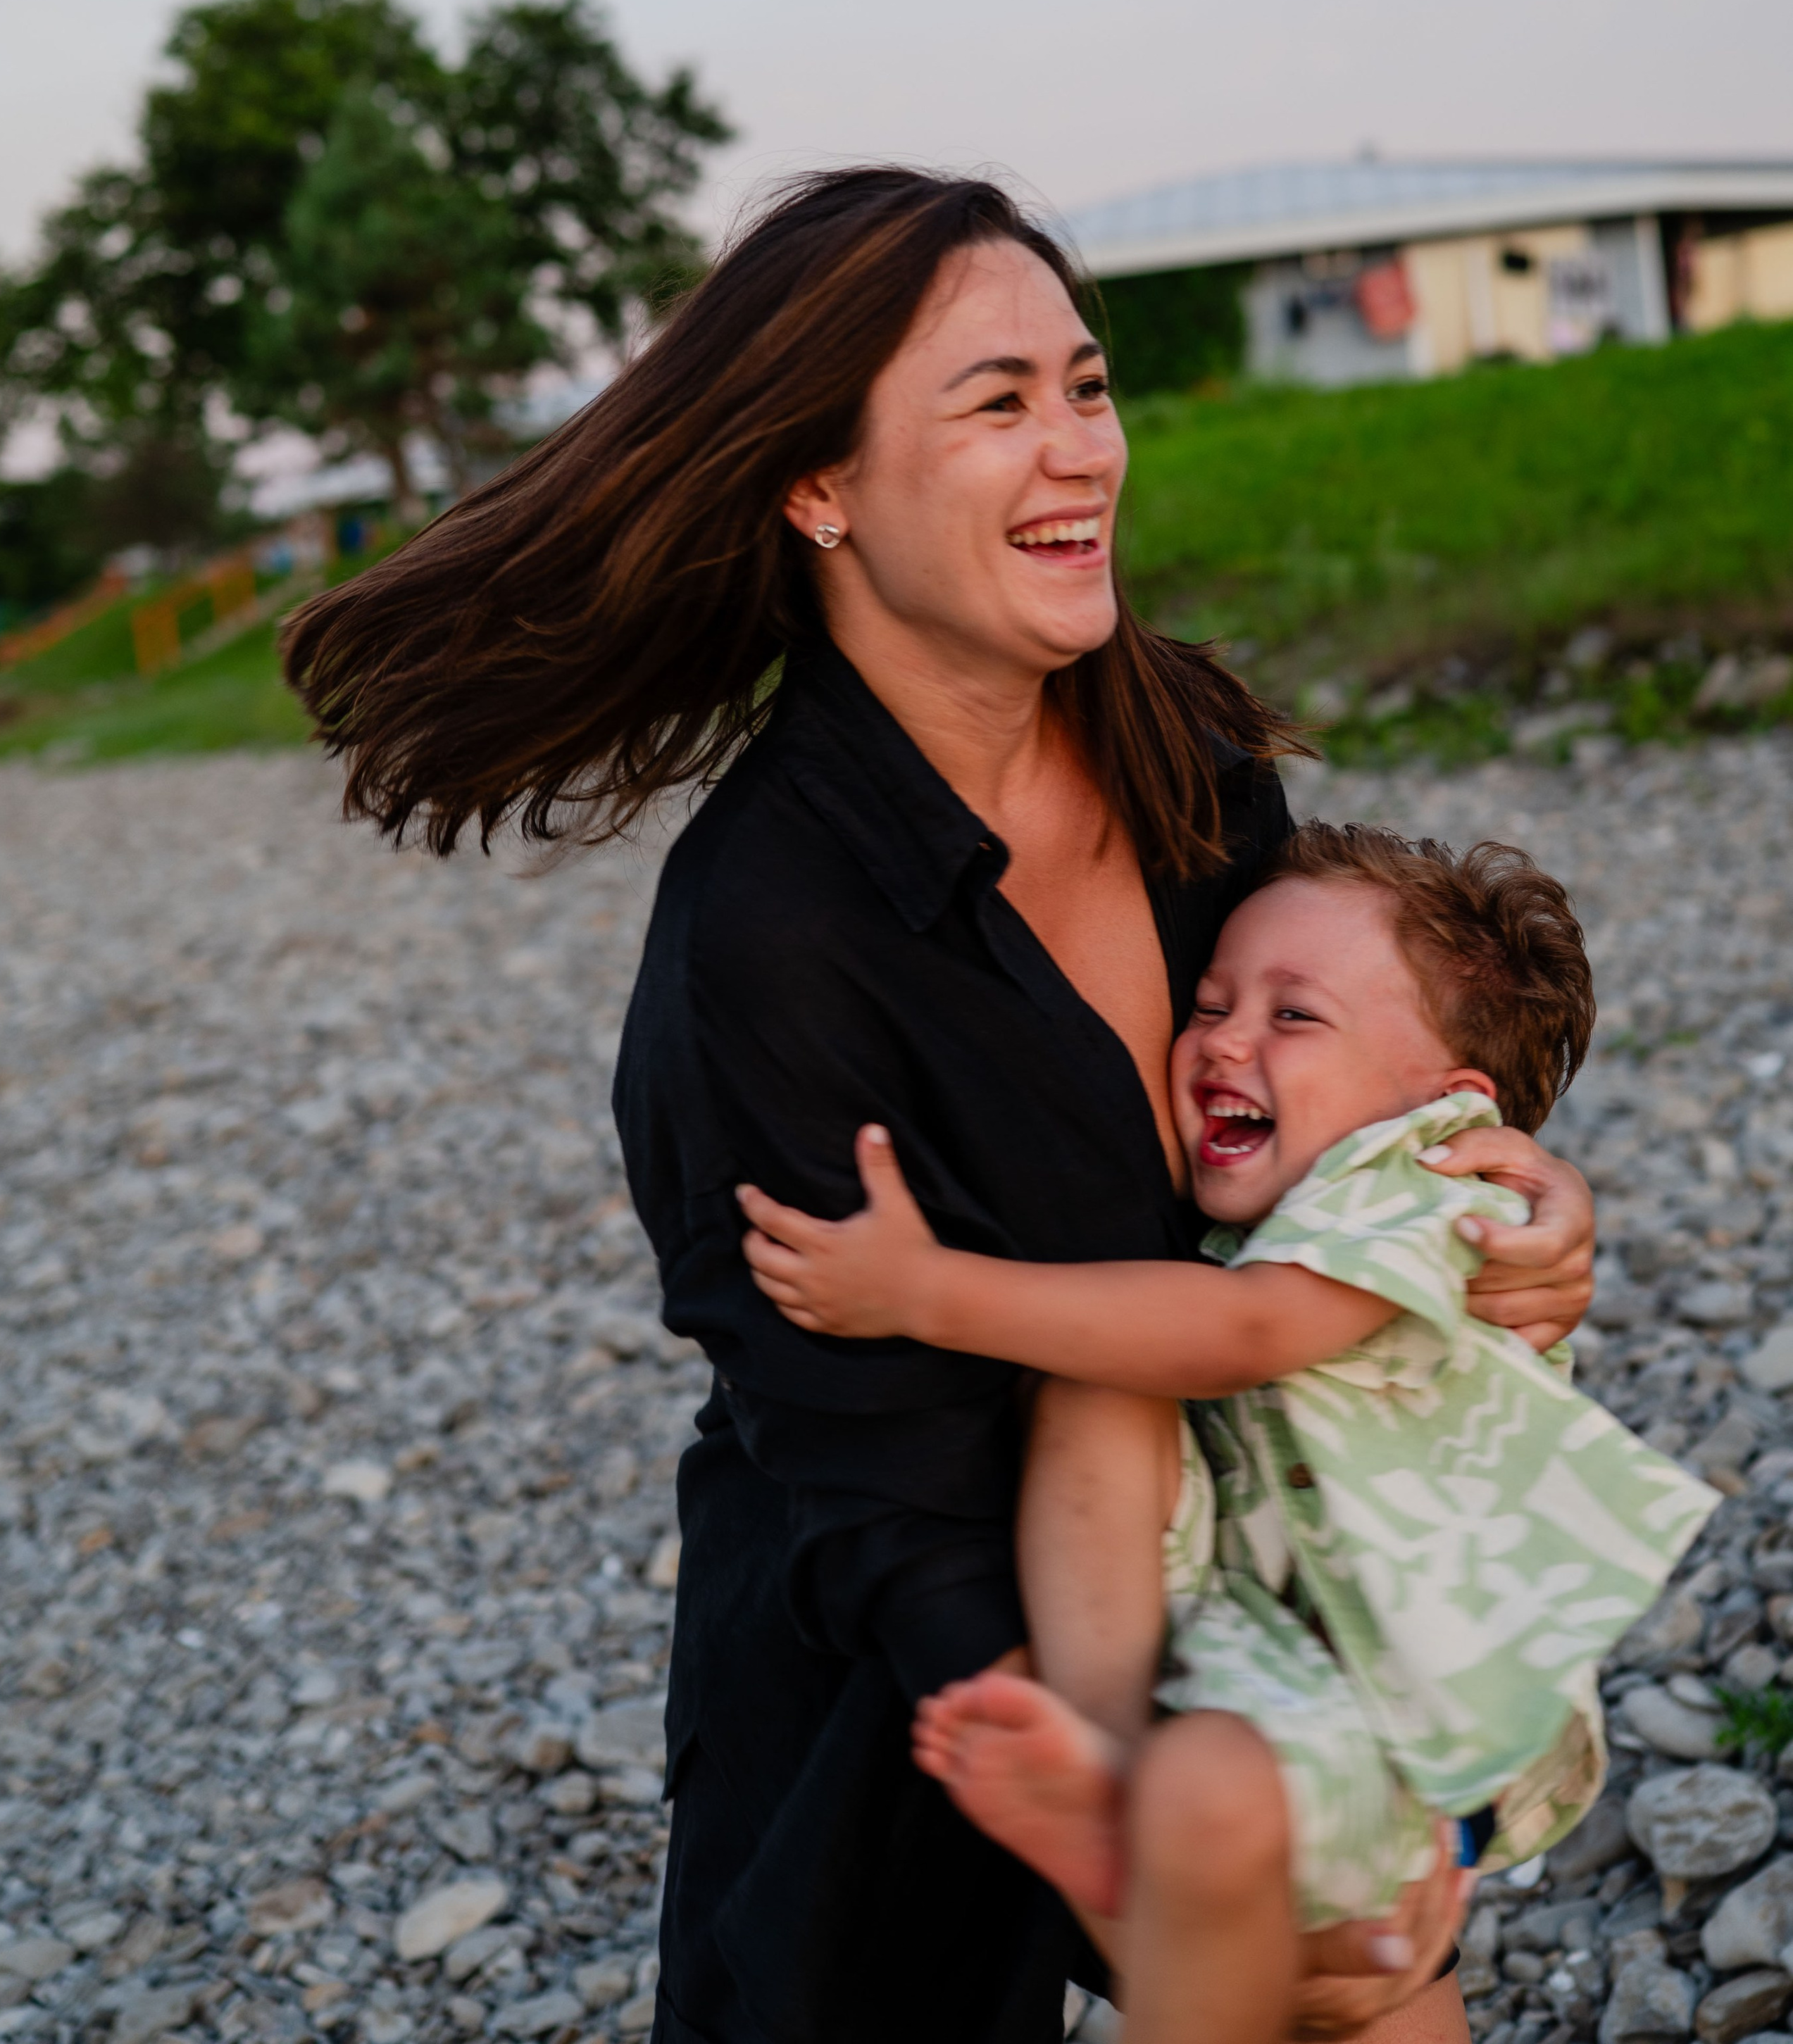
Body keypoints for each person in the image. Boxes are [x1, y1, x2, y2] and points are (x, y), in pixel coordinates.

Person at [281, 167, 1599, 2044]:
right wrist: (1112, 1845)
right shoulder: (768, 935)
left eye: (1087, 385)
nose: (1080, 450)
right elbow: (864, 1483)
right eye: (998, 403)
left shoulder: (1191, 757)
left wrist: (1524, 1223)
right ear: (818, 488)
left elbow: (1337, 1120)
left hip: (1261, 1607)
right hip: (913, 1693)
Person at [740, 822, 1716, 2044]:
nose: (1223, 1041)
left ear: (1447, 1102)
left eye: (1294, 1017)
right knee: (1355, 1974)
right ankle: (1121, 1786)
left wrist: (925, 1292)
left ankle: (1120, 1795)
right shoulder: (1306, 1203)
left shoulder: (1431, 1187)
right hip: (1305, 1679)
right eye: (1208, 1003)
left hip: (1403, 1713)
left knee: (1229, 1817)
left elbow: (1243, 1332)